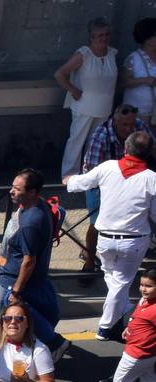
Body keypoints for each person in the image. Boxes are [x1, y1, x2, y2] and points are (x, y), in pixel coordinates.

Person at [65, 130, 156, 341]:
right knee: (121, 283)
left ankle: (123, 306)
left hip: (104, 238)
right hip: (134, 240)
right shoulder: (152, 178)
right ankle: (105, 328)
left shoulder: (107, 168)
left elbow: (81, 183)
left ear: (126, 148)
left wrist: (68, 181)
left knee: (114, 279)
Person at [77, 105, 152, 276]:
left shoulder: (139, 126)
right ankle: (89, 261)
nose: (129, 129)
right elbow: (92, 172)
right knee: (97, 222)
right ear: (115, 121)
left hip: (134, 177)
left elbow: (152, 148)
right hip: (102, 181)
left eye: (131, 124)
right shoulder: (101, 136)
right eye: (124, 125)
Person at [0, 168, 65, 355]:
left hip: (15, 280)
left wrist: (16, 291)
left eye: (17, 189)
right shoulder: (38, 206)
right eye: (12, 187)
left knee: (15, 315)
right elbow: (61, 212)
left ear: (32, 192)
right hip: (33, 278)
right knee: (39, 312)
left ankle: (54, 343)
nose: (11, 191)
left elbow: (28, 261)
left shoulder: (30, 222)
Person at [55, 18, 119, 179]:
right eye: (99, 35)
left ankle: (92, 174)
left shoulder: (112, 53)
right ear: (91, 37)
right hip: (84, 105)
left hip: (104, 106)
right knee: (77, 140)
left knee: (96, 142)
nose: (103, 38)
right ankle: (69, 174)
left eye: (106, 34)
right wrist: (73, 90)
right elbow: (59, 74)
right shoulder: (83, 54)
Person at [93, 267, 156, 382]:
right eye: (142, 285)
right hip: (146, 353)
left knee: (120, 381)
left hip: (136, 354)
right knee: (148, 379)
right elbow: (137, 315)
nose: (143, 289)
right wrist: (129, 327)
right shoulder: (145, 300)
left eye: (149, 286)